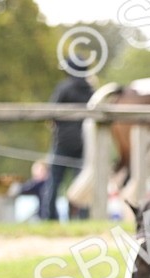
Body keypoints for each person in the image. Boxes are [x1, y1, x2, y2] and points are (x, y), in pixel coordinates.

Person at [41, 59, 94, 222]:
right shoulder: (91, 90)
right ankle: (83, 217)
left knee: (54, 182)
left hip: (62, 142)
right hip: (84, 143)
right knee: (83, 183)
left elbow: (51, 113)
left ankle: (50, 217)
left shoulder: (64, 87)